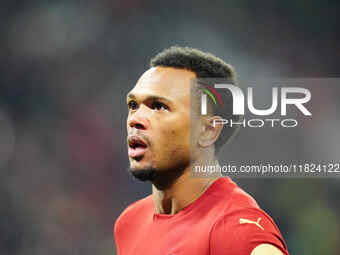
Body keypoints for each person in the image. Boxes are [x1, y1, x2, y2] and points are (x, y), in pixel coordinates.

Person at [114, 46, 290, 255]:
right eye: (134, 105)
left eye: (159, 106)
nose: (135, 119)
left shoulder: (233, 228)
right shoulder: (130, 222)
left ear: (207, 130)